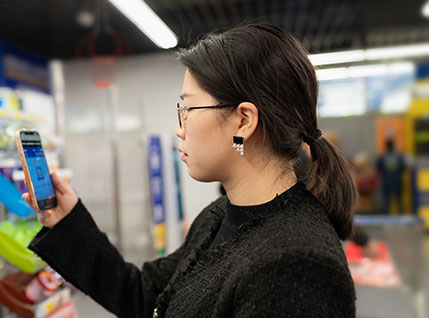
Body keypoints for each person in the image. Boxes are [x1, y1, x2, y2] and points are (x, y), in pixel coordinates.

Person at [24, 23, 356, 317]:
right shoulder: (220, 216)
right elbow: (146, 297)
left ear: (243, 120)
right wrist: (67, 221)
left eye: (189, 108)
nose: (179, 128)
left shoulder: (296, 265)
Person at [376, 139, 406, 214]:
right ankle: (401, 217)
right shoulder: (399, 156)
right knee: (399, 201)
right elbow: (403, 168)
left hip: (386, 182)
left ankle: (387, 219)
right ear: (393, 146)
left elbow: (378, 168)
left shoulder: (382, 157)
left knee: (386, 202)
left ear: (386, 146)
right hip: (397, 181)